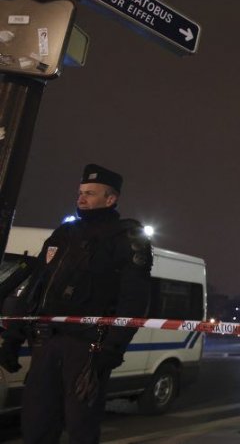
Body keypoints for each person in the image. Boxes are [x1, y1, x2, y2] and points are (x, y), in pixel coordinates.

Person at [0, 164, 152, 444]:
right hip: (45, 343)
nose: (81, 198)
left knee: (81, 428)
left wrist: (112, 348)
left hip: (87, 349)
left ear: (111, 199)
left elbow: (135, 300)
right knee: (36, 425)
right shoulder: (64, 234)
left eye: (90, 193)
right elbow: (37, 286)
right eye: (80, 192)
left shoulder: (126, 238)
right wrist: (12, 337)